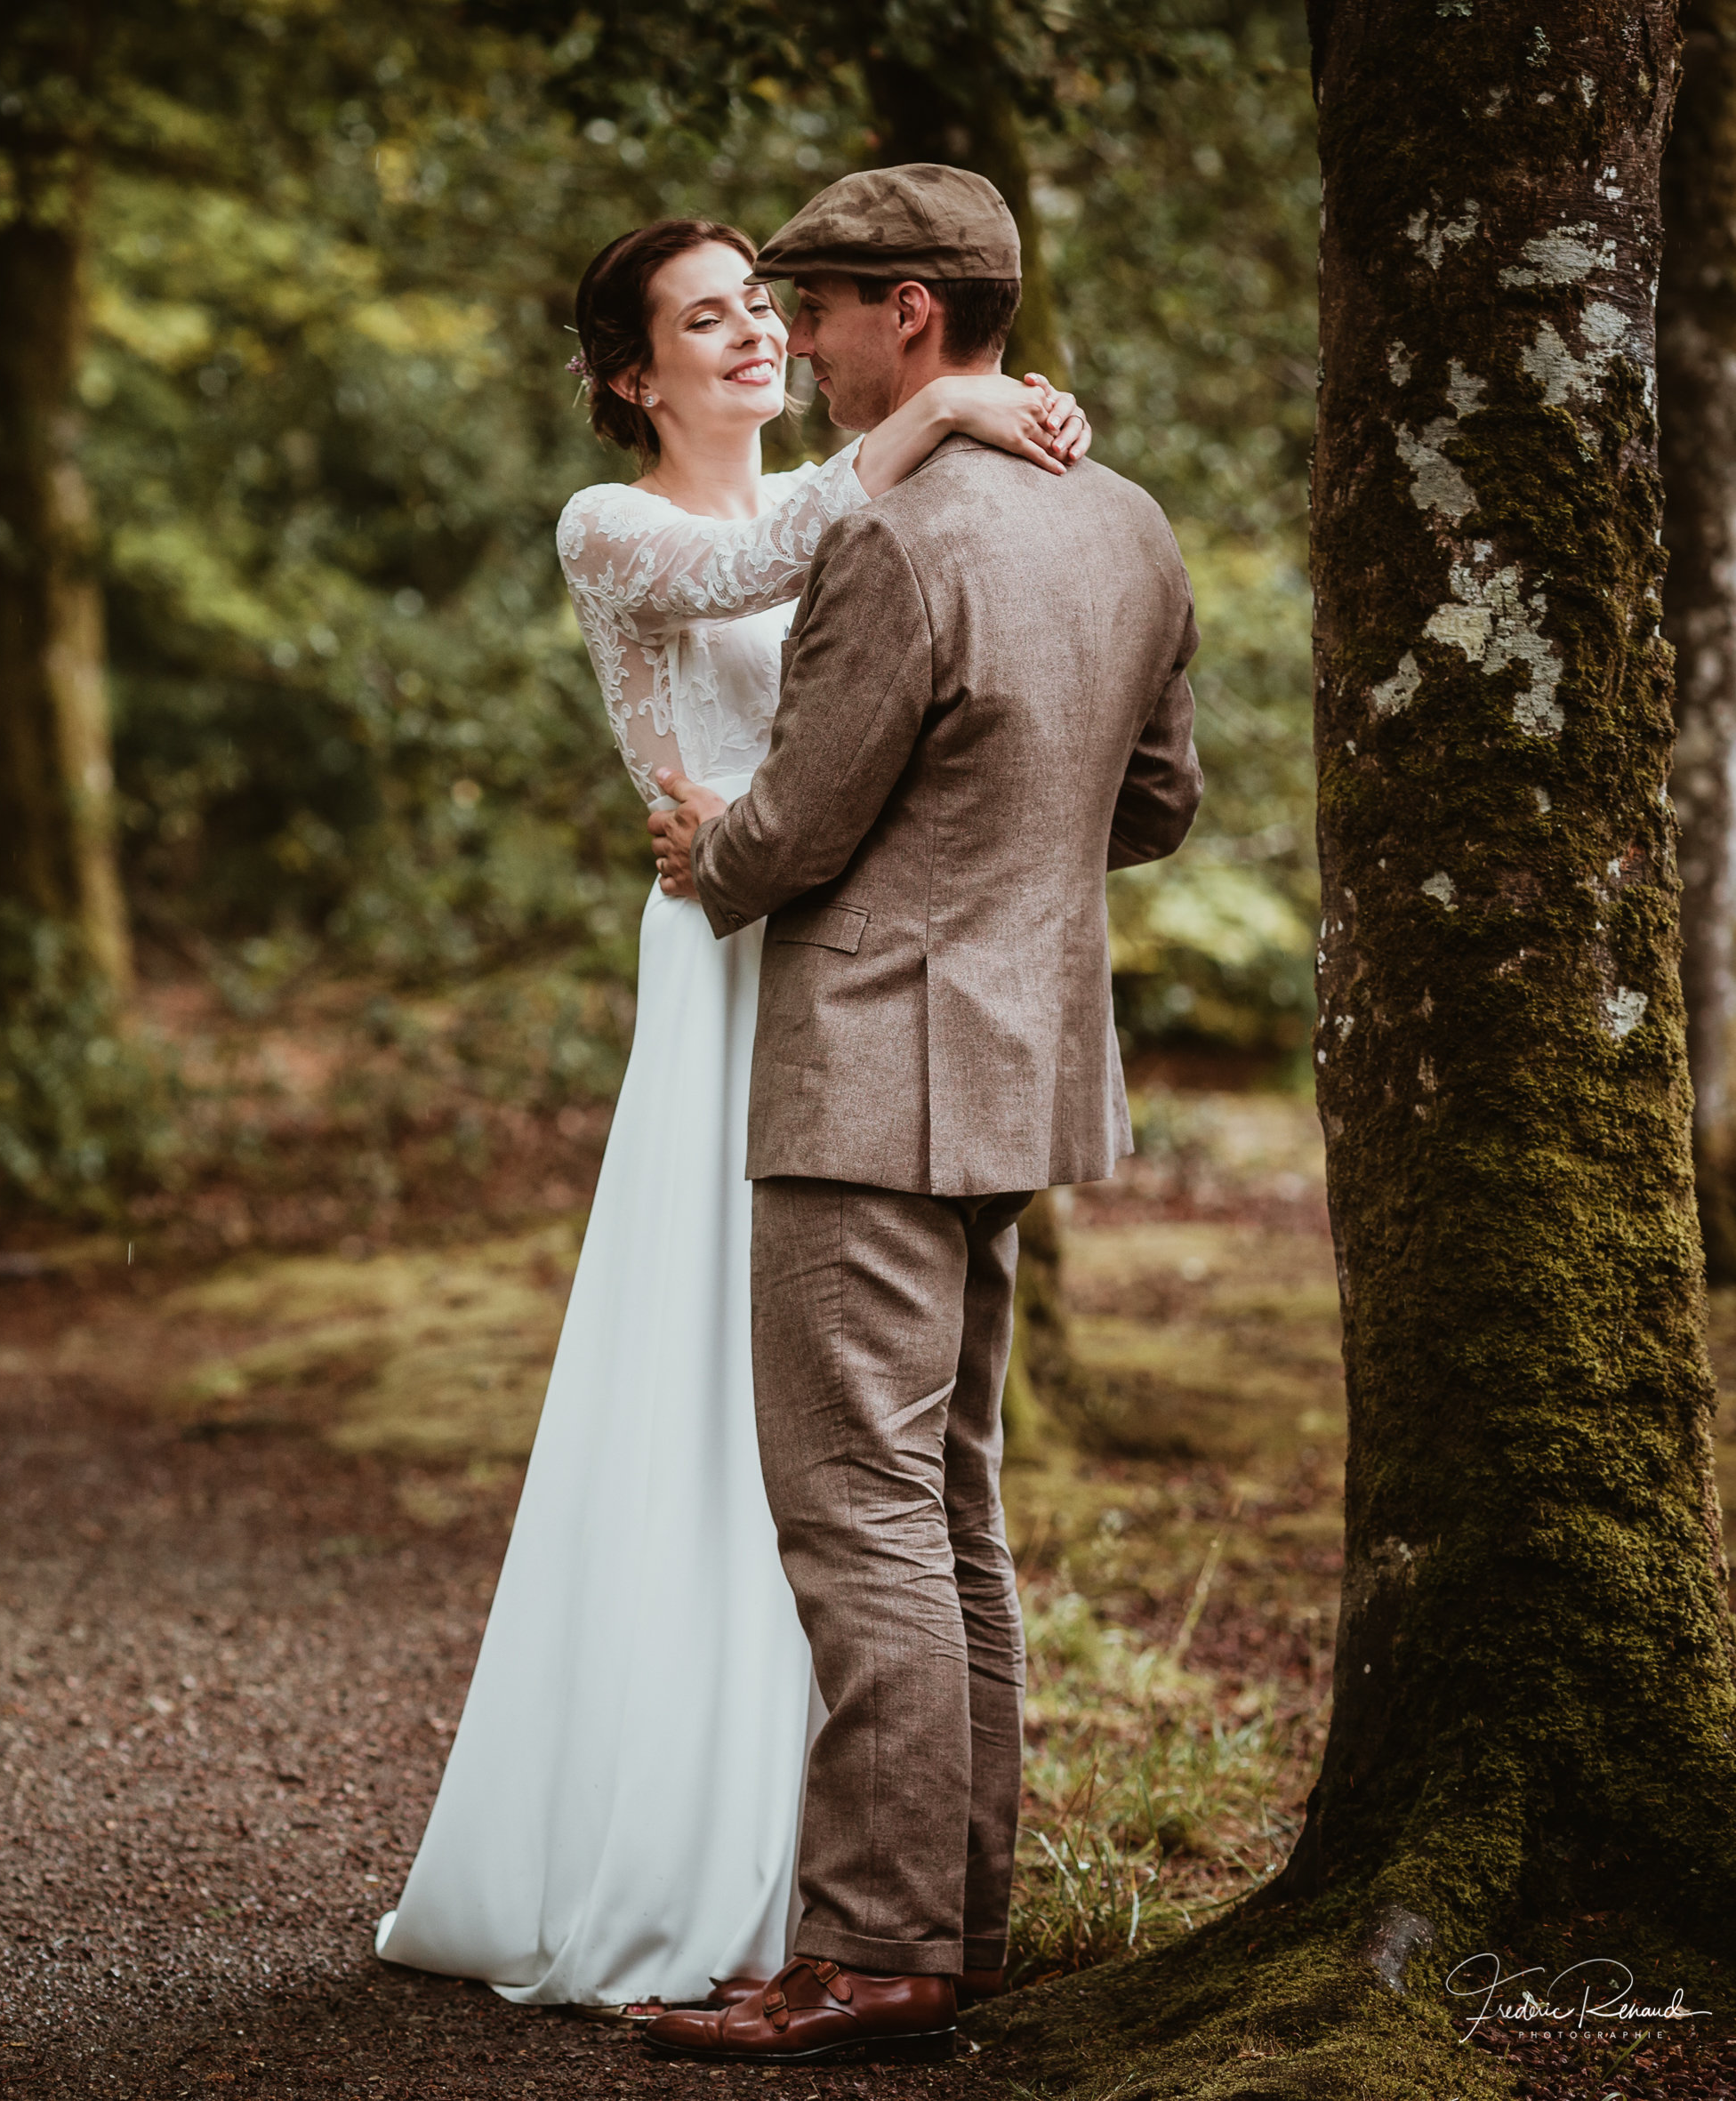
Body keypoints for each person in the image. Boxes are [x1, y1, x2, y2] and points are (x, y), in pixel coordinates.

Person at [368, 204, 1094, 2016]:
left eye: (762, 310)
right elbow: (763, 554)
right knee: (715, 1389)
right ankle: (683, 1848)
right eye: (705, 322)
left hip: (858, 966)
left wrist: (969, 434)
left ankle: (858, 1878)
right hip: (723, 966)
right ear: (630, 374)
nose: (753, 337)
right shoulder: (614, 526)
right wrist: (948, 411)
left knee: (865, 1444)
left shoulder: (884, 509)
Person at [632, 166, 1202, 2067]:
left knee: (856, 1516)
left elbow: (794, 819)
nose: (788, 337)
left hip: (868, 1068)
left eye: (811, 304)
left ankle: (870, 1953)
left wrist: (707, 850)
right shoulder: (1125, 522)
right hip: (1024, 1063)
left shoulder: (889, 543)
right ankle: (956, 1911)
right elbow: (1155, 804)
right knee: (948, 1504)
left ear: (907, 310)